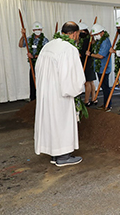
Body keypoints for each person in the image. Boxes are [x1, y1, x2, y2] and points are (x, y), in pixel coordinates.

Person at [34, 21, 85, 167]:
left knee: (51, 123)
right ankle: (63, 157)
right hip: (60, 94)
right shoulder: (69, 49)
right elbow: (71, 75)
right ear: (75, 33)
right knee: (61, 123)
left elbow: (38, 68)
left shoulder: (48, 45)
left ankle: (55, 154)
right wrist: (76, 89)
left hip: (46, 92)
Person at [18, 21, 48, 101]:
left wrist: (34, 56)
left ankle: (42, 99)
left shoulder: (45, 40)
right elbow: (20, 45)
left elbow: (46, 53)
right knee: (32, 81)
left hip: (42, 64)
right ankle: (33, 99)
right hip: (32, 64)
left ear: (41, 29)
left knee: (41, 81)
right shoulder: (30, 39)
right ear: (33, 30)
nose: (37, 30)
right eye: (36, 29)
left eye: (39, 29)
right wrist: (22, 36)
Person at [86, 24, 112, 112]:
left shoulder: (105, 41)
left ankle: (108, 105)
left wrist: (90, 54)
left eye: (96, 34)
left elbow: (101, 56)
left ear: (102, 32)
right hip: (99, 68)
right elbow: (93, 43)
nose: (95, 36)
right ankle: (105, 104)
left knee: (105, 87)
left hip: (104, 67)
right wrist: (91, 36)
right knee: (103, 87)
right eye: (95, 34)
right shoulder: (99, 40)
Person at [77, 22, 97, 107]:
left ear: (84, 31)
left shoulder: (87, 40)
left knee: (87, 82)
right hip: (88, 61)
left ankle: (86, 100)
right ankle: (93, 98)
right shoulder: (85, 39)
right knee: (91, 81)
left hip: (87, 61)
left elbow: (84, 52)